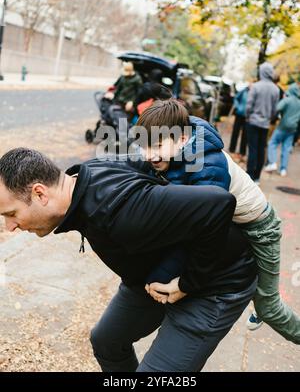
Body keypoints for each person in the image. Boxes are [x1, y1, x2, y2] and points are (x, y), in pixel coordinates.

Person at [0, 148, 257, 372]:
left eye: (11, 214)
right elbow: (145, 161)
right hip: (153, 277)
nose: (9, 226)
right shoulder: (84, 176)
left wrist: (188, 283)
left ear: (40, 194)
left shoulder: (121, 211)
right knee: (106, 341)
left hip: (215, 283)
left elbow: (218, 203)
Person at [136, 98, 300, 343]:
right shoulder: (170, 150)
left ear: (181, 140)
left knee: (269, 307)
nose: (148, 154)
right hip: (233, 221)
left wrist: (186, 284)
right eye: (144, 146)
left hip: (260, 229)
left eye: (157, 145)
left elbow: (204, 234)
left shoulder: (207, 168)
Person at [246, 62, 280, 184]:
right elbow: (275, 110)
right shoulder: (276, 89)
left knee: (252, 149)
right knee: (261, 149)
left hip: (253, 121)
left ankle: (249, 175)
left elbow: (249, 105)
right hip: (265, 124)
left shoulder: (256, 86)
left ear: (261, 72)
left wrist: (248, 116)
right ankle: (257, 177)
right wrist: (270, 118)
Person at [265, 82, 300, 177]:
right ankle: (283, 169)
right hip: (293, 129)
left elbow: (277, 108)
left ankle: (272, 163)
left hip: (282, 126)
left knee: (272, 143)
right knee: (286, 148)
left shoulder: (287, 100)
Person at [229, 85, 249, 162]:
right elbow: (236, 98)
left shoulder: (254, 92)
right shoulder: (244, 90)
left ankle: (242, 152)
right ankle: (232, 149)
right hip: (239, 114)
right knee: (235, 132)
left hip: (247, 116)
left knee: (245, 134)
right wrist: (237, 106)